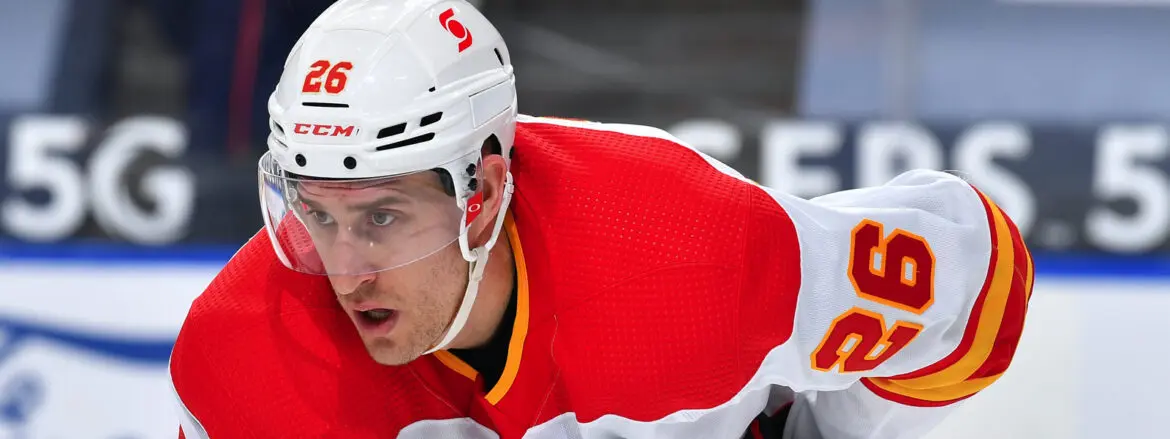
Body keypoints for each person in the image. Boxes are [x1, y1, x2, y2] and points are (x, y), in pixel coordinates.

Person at [168, 1, 1034, 438]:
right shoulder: (241, 358)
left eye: (384, 216)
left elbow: (976, 274)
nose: (345, 266)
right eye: (314, 213)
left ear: (484, 192)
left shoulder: (693, 254)